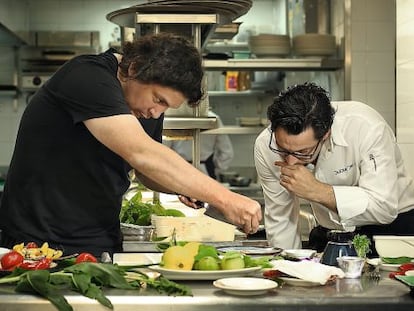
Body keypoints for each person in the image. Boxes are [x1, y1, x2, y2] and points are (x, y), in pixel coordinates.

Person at [0, 33, 261, 257]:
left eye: (166, 107)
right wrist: (226, 199)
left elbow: (146, 172)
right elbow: (143, 153)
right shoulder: (87, 77)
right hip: (35, 239)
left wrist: (187, 187)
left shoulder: (145, 108)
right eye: (158, 100)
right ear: (134, 68)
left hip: (98, 240)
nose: (157, 113)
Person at [254, 82, 414, 255]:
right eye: (283, 149)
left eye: (303, 152)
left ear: (326, 134)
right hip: (330, 234)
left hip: (390, 233)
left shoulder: (366, 127)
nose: (290, 162)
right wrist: (288, 267)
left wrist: (317, 191)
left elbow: (383, 208)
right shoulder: (266, 145)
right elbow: (281, 219)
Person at [164, 110, 234, 179]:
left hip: (178, 170)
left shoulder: (175, 117)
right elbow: (227, 153)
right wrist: (216, 169)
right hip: (205, 172)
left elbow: (164, 150)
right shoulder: (213, 118)